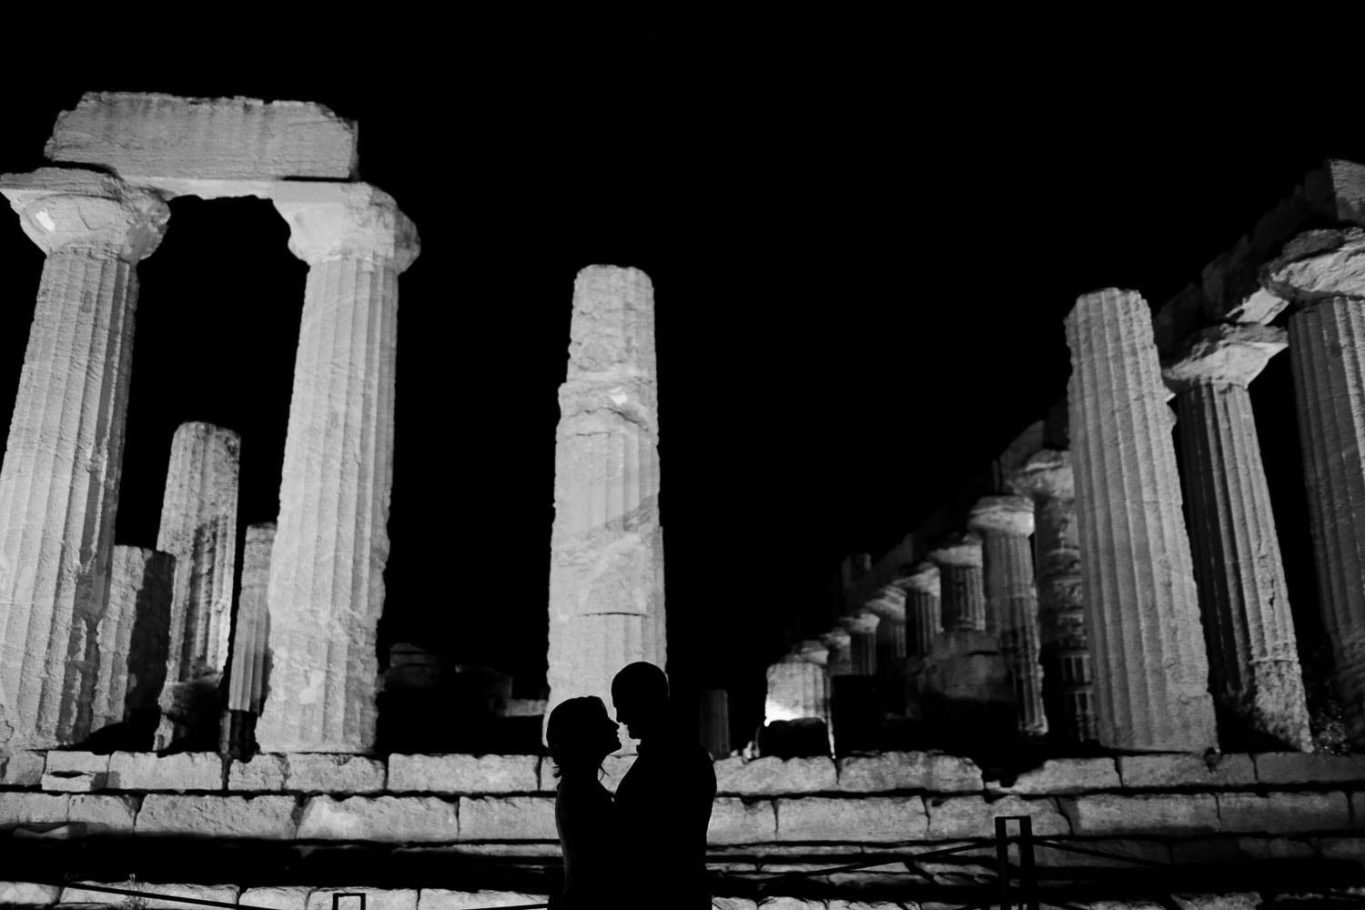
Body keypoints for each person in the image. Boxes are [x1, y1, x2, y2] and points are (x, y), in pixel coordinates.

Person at [611, 662, 717, 909]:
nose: (619, 718)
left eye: (622, 704)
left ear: (645, 700)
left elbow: (660, 842)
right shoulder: (687, 754)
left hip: (662, 896)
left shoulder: (673, 760)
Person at [545, 696, 625, 910]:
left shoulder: (576, 786)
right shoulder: (582, 791)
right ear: (585, 734)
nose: (615, 724)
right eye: (603, 720)